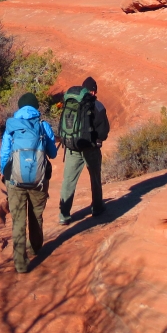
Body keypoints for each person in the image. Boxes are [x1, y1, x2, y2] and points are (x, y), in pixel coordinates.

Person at [0, 92, 57, 273]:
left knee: (18, 220)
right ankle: (35, 248)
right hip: (39, 179)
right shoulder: (43, 125)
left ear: (19, 107)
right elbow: (53, 153)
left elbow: (5, 153)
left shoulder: (12, 126)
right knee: (36, 215)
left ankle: (20, 264)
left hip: (15, 180)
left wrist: (3, 171)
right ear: (35, 107)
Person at [59, 76, 110, 224]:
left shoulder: (71, 103)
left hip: (72, 146)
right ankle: (97, 207)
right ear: (93, 91)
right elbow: (103, 132)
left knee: (68, 180)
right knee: (95, 179)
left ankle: (64, 214)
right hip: (91, 149)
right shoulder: (98, 106)